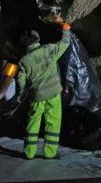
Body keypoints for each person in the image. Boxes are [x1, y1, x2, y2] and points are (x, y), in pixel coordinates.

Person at [17, 18, 71, 160]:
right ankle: (50, 152)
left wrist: (19, 94)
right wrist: (65, 29)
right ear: (38, 39)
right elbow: (65, 43)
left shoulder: (24, 61)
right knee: (53, 122)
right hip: (53, 94)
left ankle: (29, 152)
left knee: (33, 124)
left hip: (37, 96)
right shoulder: (49, 50)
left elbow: (20, 81)